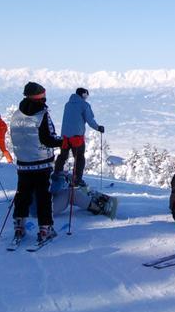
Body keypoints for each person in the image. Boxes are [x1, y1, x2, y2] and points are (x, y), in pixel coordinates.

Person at [9, 82, 63, 244]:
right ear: (40, 96)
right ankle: (45, 228)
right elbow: (48, 139)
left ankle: (19, 226)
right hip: (41, 163)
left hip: (23, 162)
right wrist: (64, 142)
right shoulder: (42, 114)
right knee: (43, 196)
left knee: (23, 194)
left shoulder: (16, 114)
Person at [55, 88, 104, 187]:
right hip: (76, 137)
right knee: (79, 158)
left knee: (62, 156)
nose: (86, 98)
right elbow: (90, 120)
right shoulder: (84, 105)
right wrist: (98, 128)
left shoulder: (67, 104)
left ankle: (56, 174)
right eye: (86, 95)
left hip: (64, 137)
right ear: (83, 94)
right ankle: (77, 180)